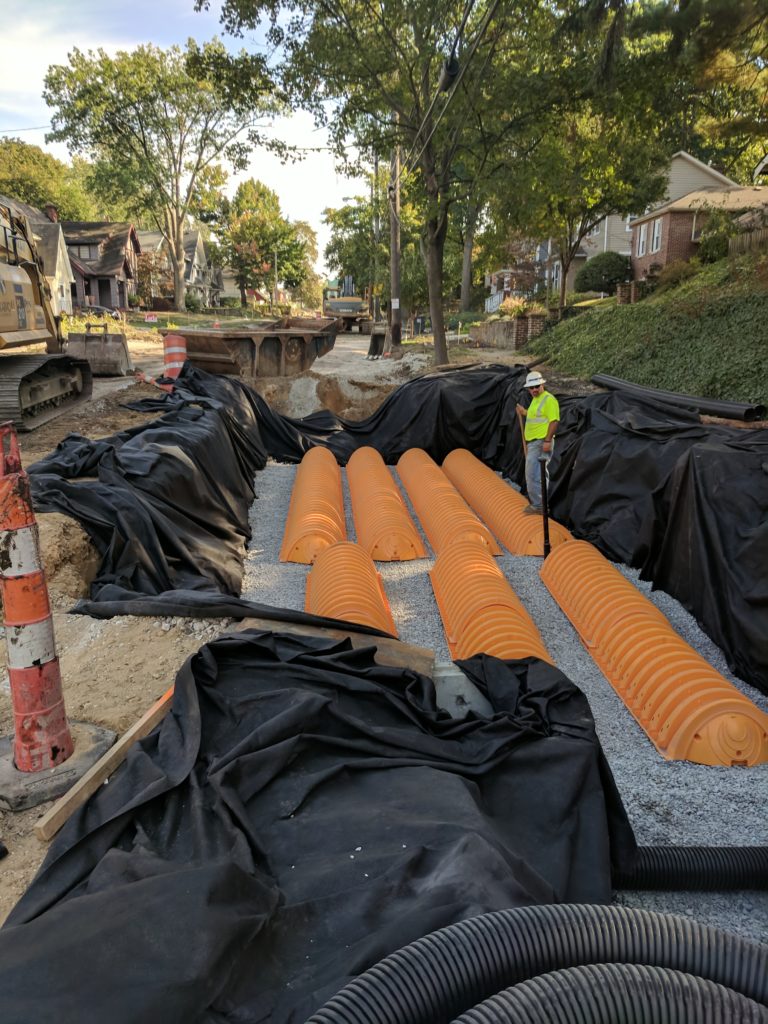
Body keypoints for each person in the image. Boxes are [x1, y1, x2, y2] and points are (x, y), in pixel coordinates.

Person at [515, 370, 560, 515]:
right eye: (531, 387)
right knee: (539, 474)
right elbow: (537, 416)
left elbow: (554, 421)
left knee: (532, 474)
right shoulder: (536, 400)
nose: (534, 389)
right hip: (535, 442)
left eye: (537, 386)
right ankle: (543, 504)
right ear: (528, 389)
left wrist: (547, 441)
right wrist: (524, 412)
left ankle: (539, 506)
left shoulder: (549, 400)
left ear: (542, 385)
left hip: (541, 442)